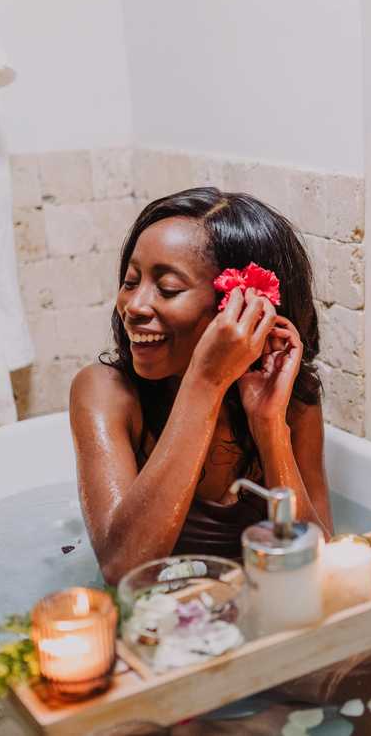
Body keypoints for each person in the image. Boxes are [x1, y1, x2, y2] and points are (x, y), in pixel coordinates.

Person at [70, 188, 332, 586]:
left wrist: (268, 424)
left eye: (168, 288)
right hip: (164, 625)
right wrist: (205, 383)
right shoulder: (106, 392)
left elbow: (320, 564)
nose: (134, 307)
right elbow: (123, 568)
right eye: (130, 281)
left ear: (242, 307)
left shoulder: (292, 398)